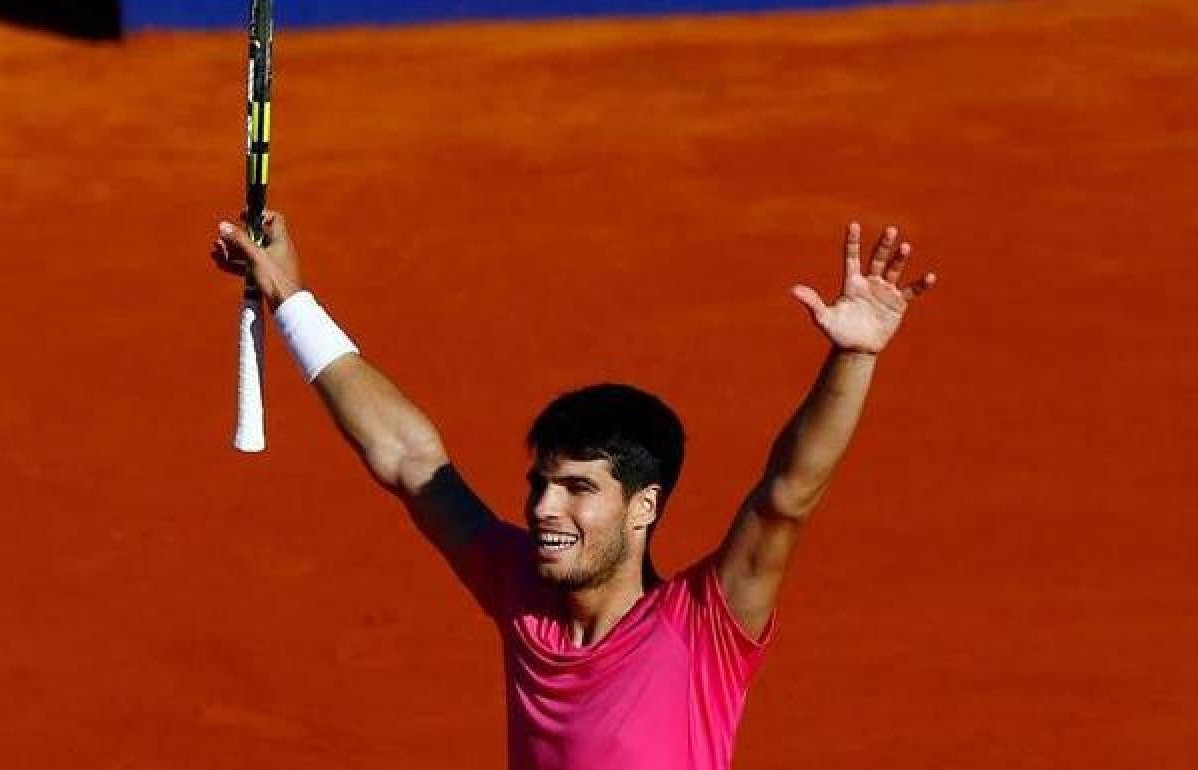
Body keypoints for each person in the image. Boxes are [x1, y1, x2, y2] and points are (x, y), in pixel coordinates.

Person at [211, 213, 937, 770]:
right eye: (542, 485)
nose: (543, 509)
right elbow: (406, 457)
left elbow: (787, 495)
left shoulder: (704, 628)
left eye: (578, 489)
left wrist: (853, 356)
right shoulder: (524, 598)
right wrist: (292, 300)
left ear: (644, 505)